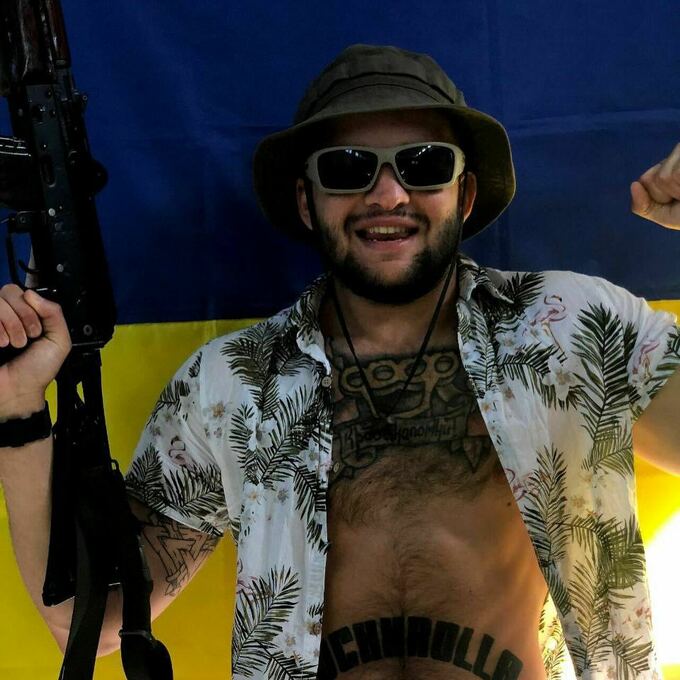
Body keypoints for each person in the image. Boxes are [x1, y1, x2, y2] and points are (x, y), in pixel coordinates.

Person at [0, 44, 679, 680]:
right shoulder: (233, 385)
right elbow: (86, 620)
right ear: (307, 200)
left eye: (423, 164)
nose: (388, 196)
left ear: (465, 195)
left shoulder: (575, 330)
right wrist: (16, 406)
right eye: (348, 168)